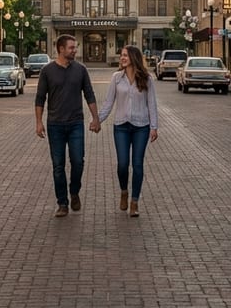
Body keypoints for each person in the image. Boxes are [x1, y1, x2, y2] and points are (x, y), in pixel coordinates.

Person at [35, 34, 99, 218]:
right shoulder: (47, 71)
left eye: (75, 47)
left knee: (78, 162)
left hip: (76, 124)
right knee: (58, 166)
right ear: (61, 49)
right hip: (55, 125)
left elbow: (89, 94)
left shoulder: (81, 70)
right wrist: (38, 122)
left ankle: (74, 191)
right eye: (71, 48)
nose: (75, 50)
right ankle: (62, 203)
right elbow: (40, 98)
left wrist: (95, 118)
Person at [93, 44, 159, 217]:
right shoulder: (116, 78)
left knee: (137, 164)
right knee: (123, 164)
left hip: (141, 127)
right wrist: (97, 120)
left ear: (134, 58)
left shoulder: (147, 79)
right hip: (121, 126)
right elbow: (108, 103)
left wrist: (154, 127)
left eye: (125, 55)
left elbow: (151, 103)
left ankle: (134, 201)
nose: (122, 58)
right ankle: (124, 191)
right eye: (121, 55)